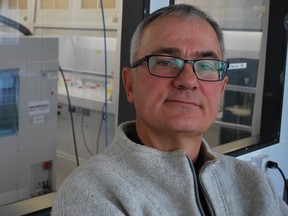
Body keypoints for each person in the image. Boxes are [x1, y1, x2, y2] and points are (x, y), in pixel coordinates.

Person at [52, 4, 288, 216]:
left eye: (206, 65)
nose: (188, 80)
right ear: (130, 84)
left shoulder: (254, 183)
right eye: (165, 62)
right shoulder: (93, 192)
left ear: (222, 88)